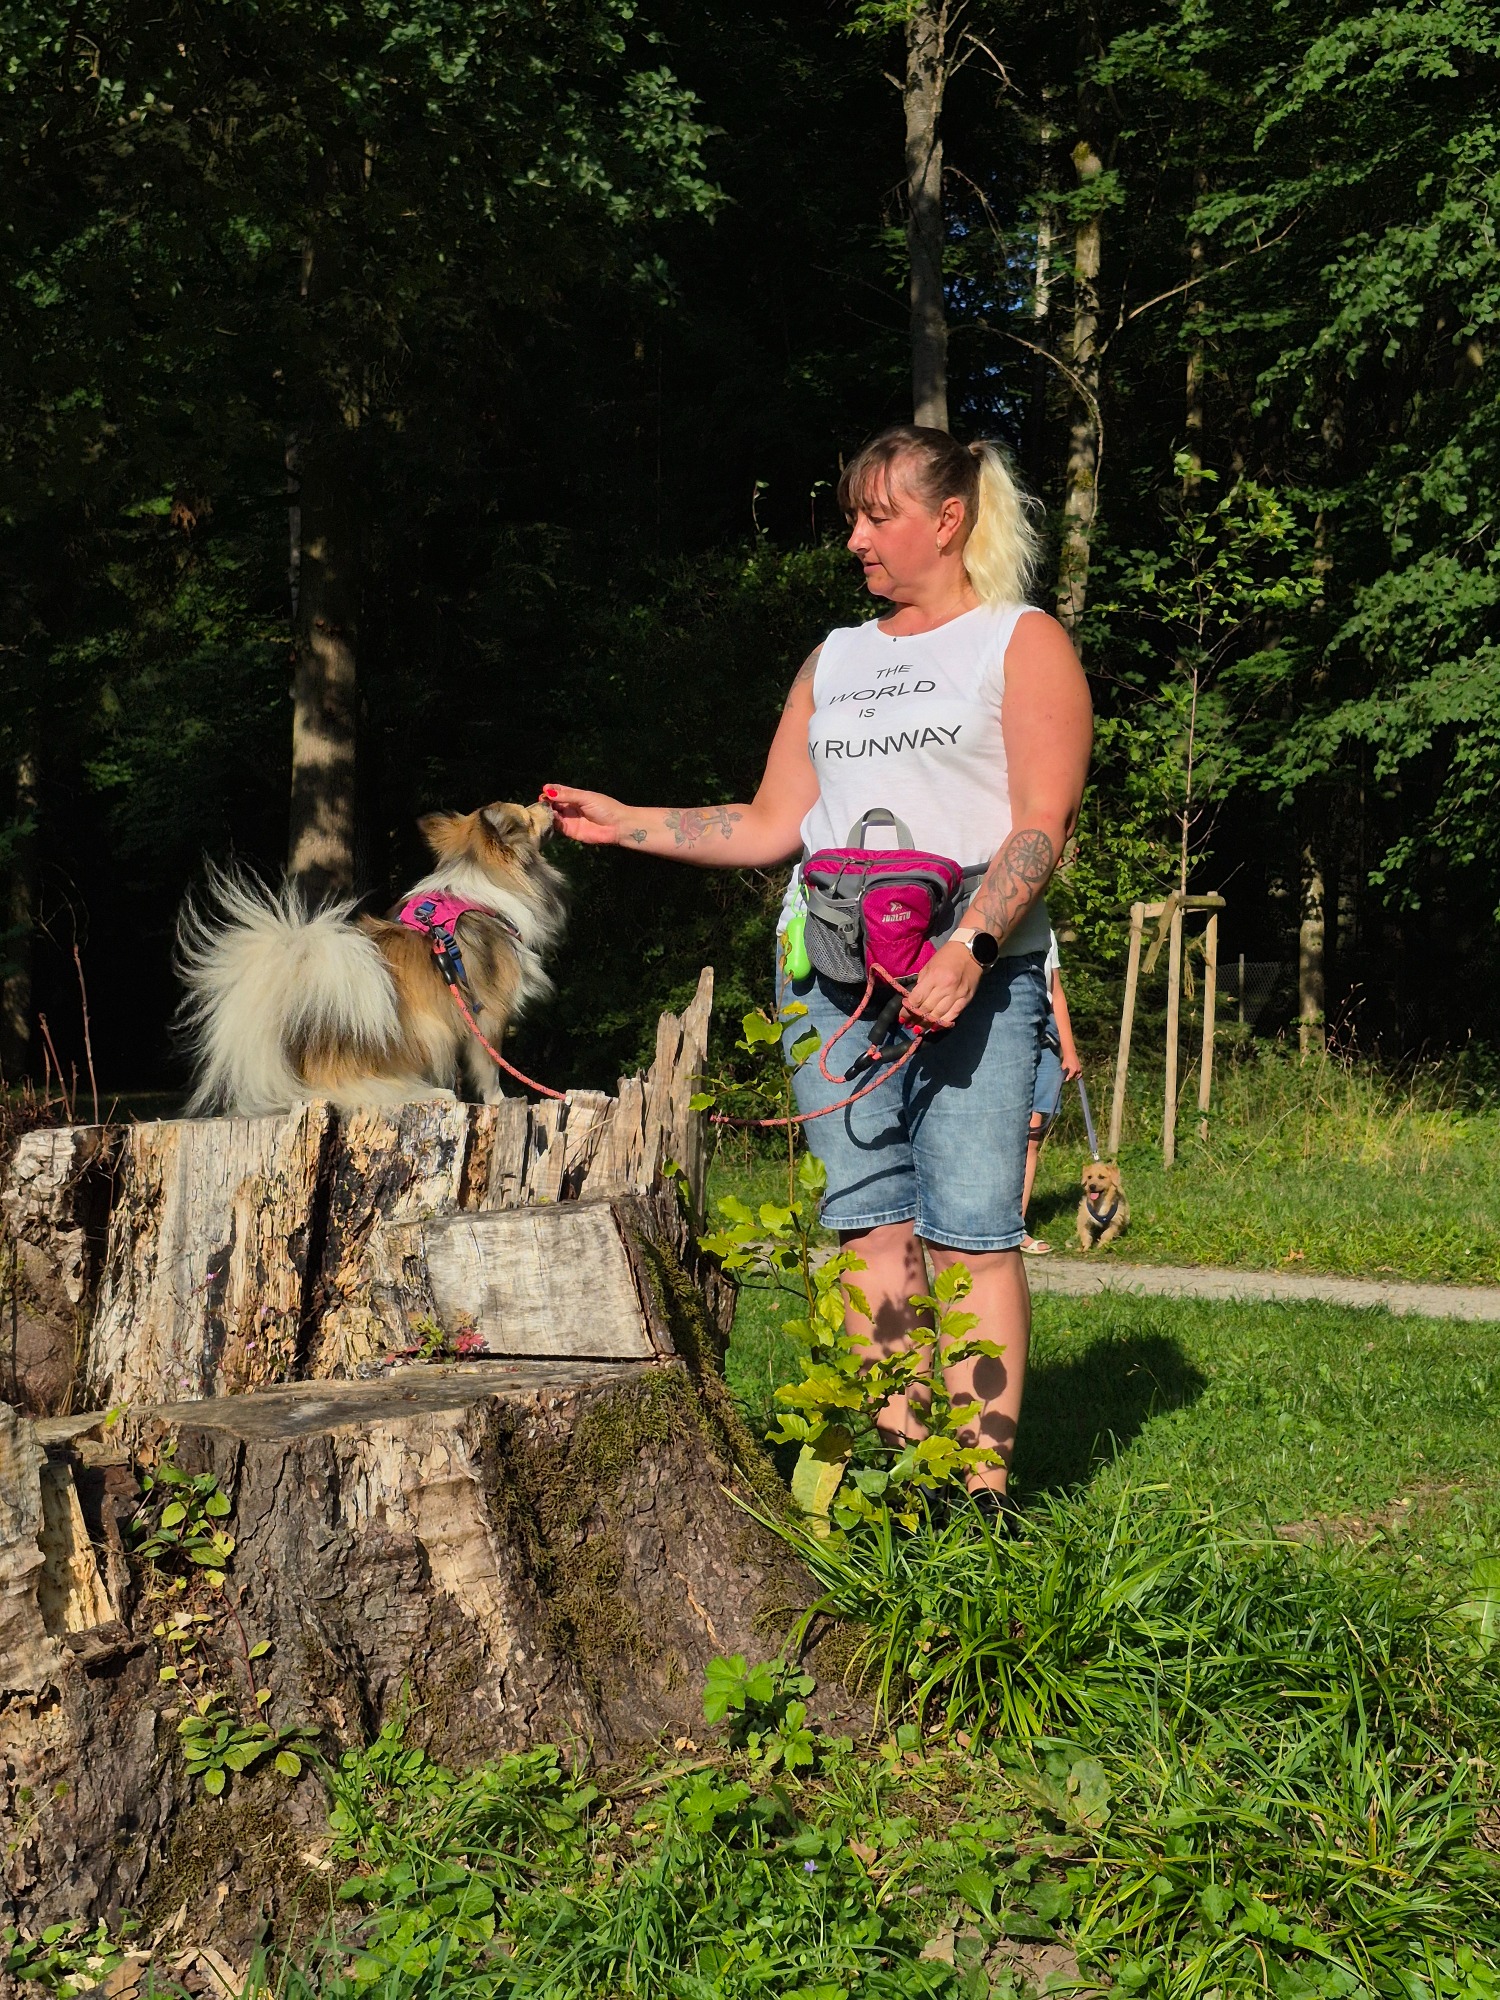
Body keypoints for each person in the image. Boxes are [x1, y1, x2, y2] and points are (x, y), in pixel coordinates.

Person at [543, 424, 1092, 1507]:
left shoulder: (1019, 642)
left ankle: (979, 1498)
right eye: (852, 518)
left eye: (877, 516)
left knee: (971, 1233)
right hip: (829, 976)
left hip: (974, 974)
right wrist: (628, 823)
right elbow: (768, 822)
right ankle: (907, 1478)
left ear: (949, 520)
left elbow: (1042, 822)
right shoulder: (834, 658)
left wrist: (972, 948)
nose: (855, 540)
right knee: (867, 1224)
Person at [1019, 931, 1083, 1257]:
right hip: (1011, 1029)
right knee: (1005, 1135)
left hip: (1048, 1036)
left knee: (1032, 1136)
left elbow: (1056, 992)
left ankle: (1016, 1227)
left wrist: (1069, 1051)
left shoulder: (1046, 933)